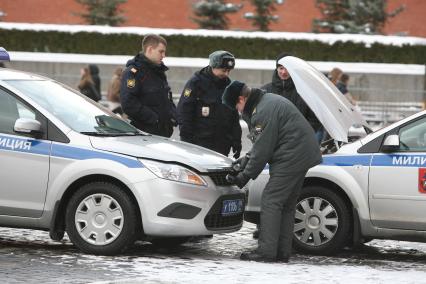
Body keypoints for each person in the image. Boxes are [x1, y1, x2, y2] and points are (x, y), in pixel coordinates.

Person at [222, 81, 322, 263]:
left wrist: (243, 176)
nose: (237, 111)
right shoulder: (266, 101)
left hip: (291, 156)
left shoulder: (262, 111)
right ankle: (282, 252)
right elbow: (264, 143)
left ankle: (266, 252)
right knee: (286, 204)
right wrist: (243, 161)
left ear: (241, 99)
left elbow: (262, 151)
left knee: (271, 201)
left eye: (236, 106)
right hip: (302, 154)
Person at [176, 50, 242, 158]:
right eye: (224, 70)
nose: (226, 74)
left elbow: (234, 117)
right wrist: (186, 141)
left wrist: (236, 141)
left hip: (222, 146)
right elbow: (184, 112)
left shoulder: (229, 87)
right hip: (199, 145)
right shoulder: (196, 83)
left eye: (229, 71)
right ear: (213, 67)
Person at [120, 34, 177, 137]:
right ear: (150, 49)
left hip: (163, 133)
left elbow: (166, 97)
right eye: (161, 51)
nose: (164, 55)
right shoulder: (134, 72)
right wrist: (154, 118)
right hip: (145, 134)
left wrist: (173, 115)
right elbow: (128, 103)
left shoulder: (158, 71)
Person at [262, 53, 323, 144]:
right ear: (276, 69)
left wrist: (302, 135)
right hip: (272, 143)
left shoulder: (304, 92)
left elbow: (315, 119)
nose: (283, 72)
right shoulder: (265, 90)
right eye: (281, 68)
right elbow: (257, 116)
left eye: (287, 68)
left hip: (298, 144)